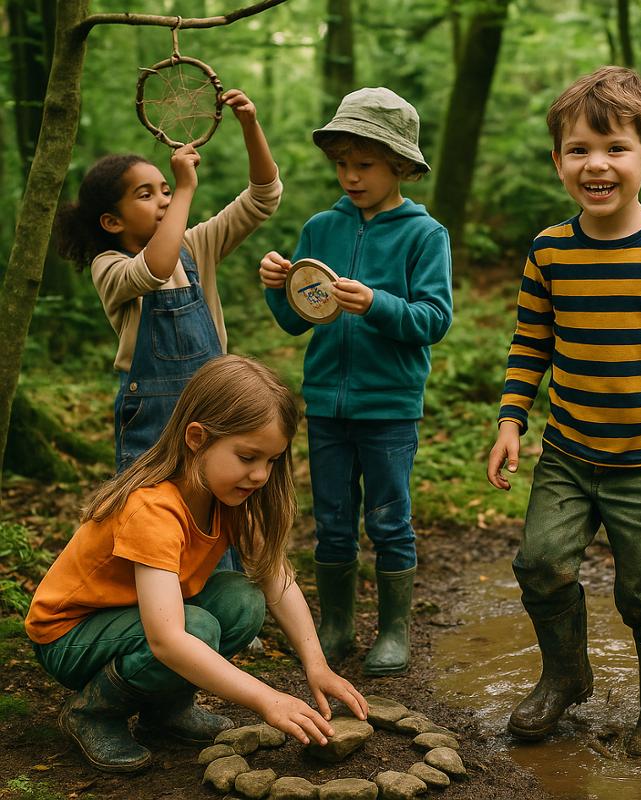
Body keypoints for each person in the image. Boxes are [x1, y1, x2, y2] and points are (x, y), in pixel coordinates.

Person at [487, 66, 641, 757]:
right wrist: (511, 422)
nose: (596, 163)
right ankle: (566, 674)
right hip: (569, 452)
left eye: (615, 148)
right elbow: (530, 345)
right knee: (540, 563)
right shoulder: (549, 250)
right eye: (578, 149)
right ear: (559, 162)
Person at [24, 355, 368, 774]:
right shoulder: (153, 509)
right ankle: (92, 712)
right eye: (247, 457)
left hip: (135, 619)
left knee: (243, 600)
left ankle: (165, 708)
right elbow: (168, 638)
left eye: (272, 460)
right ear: (196, 438)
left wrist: (317, 664)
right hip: (70, 634)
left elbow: (275, 577)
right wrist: (267, 698)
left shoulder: (233, 496)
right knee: (195, 628)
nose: (261, 475)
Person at [259, 87, 452, 677]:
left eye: (363, 164)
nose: (350, 175)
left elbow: (434, 320)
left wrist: (376, 304)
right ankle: (337, 625)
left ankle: (394, 631)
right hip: (326, 404)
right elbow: (298, 318)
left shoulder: (425, 235)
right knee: (334, 521)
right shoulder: (321, 228)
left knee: (389, 520)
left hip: (390, 405)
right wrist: (276, 286)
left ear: (398, 164)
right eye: (341, 163)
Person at [56, 89, 282, 474]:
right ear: (112, 222)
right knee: (152, 504)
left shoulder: (194, 246)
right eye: (146, 195)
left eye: (166, 190)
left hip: (214, 401)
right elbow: (154, 268)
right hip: (152, 412)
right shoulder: (109, 267)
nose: (164, 200)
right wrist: (184, 189)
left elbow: (263, 198)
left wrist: (250, 126)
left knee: (214, 499)